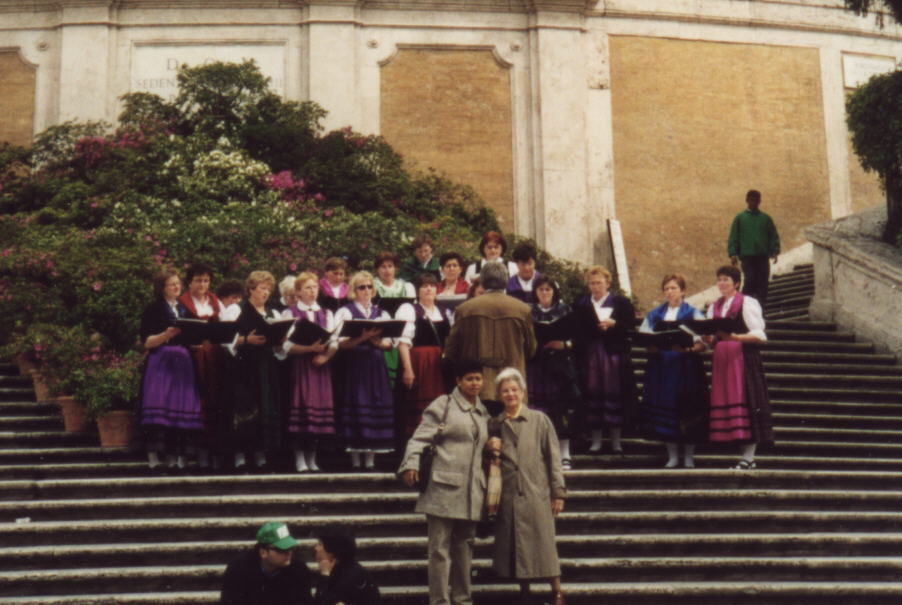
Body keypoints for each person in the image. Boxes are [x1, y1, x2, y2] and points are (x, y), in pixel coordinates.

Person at [398, 360, 489, 605]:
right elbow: (419, 438)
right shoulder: (444, 404)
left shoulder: (483, 411)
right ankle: (439, 601)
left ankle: (463, 599)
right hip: (442, 488)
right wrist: (412, 464)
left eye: (478, 379)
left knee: (465, 549)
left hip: (472, 491)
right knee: (439, 550)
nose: (474, 383)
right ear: (458, 381)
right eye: (469, 378)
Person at [487, 368, 566, 605]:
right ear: (500, 395)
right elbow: (489, 462)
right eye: (505, 391)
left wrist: (558, 492)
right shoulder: (495, 423)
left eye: (514, 390)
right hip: (509, 494)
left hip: (536, 491)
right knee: (515, 544)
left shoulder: (539, 420)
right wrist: (489, 448)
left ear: (523, 392)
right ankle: (524, 590)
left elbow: (554, 458)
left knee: (544, 543)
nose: (510, 395)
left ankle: (557, 590)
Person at [445, 262, 537, 416]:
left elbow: (451, 350)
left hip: (477, 384)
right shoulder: (522, 310)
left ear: (483, 281)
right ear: (506, 280)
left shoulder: (465, 309)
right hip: (511, 383)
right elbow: (531, 349)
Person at [706, 265, 774, 469]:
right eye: (719, 279)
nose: (722, 283)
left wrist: (735, 337)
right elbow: (710, 337)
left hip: (742, 357)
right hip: (722, 360)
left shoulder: (747, 302)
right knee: (731, 404)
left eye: (726, 279)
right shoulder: (714, 307)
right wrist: (707, 336)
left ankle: (749, 457)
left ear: (736, 283)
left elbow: (760, 334)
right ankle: (744, 456)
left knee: (748, 401)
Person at [637, 274, 708, 468]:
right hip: (662, 367)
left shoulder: (693, 313)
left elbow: (704, 341)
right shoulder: (655, 314)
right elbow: (645, 337)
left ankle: (689, 456)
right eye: (666, 288)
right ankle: (673, 455)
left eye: (673, 288)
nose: (669, 292)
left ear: (683, 291)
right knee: (665, 407)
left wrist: (690, 349)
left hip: (686, 367)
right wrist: (650, 346)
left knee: (688, 408)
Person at [139, 269, 203, 472]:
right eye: (171, 284)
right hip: (162, 360)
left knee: (180, 406)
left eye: (178, 283)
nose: (177, 287)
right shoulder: (154, 309)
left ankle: (177, 457)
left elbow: (195, 333)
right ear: (162, 288)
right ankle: (154, 457)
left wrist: (196, 340)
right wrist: (166, 334)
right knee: (158, 406)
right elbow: (147, 342)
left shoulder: (183, 308)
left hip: (183, 362)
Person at [222, 271, 285, 472]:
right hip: (243, 366)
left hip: (266, 366)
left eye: (268, 289)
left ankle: (260, 454)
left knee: (265, 408)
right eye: (261, 288)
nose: (266, 293)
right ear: (250, 289)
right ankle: (240, 454)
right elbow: (224, 338)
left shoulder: (273, 313)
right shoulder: (236, 310)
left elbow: (280, 346)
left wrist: (280, 340)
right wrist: (245, 340)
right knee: (244, 408)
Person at [333, 271, 396, 470]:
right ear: (354, 290)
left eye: (369, 286)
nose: (366, 291)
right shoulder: (346, 312)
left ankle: (370, 460)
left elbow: (390, 343)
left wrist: (379, 342)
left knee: (376, 405)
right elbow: (340, 344)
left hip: (376, 364)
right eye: (361, 287)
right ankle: (355, 460)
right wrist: (362, 338)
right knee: (357, 403)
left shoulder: (381, 312)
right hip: (356, 365)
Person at [572, 266, 637, 455]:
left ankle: (616, 441)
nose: (596, 286)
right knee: (593, 394)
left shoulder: (621, 302)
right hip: (591, 355)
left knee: (613, 392)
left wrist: (614, 324)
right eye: (592, 283)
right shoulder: (582, 304)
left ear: (607, 283)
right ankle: (596, 440)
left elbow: (630, 327)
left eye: (599, 282)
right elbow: (576, 330)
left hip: (613, 355)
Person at [282, 272, 338, 473]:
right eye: (307, 288)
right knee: (303, 407)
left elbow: (334, 342)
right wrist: (309, 350)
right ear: (298, 292)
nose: (312, 291)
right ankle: (299, 458)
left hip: (320, 365)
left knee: (318, 411)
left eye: (314, 287)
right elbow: (286, 346)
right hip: (301, 366)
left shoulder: (326, 313)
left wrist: (325, 356)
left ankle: (312, 458)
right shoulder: (290, 313)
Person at [178, 262, 227, 471]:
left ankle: (213, 451)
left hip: (214, 358)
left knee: (214, 400)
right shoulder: (182, 303)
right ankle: (195, 452)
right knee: (194, 402)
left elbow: (226, 327)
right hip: (190, 358)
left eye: (206, 280)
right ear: (190, 281)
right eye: (198, 280)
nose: (202, 284)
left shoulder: (215, 302)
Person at [528, 276, 580, 470]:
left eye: (548, 290)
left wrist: (564, 344)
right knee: (537, 410)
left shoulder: (565, 310)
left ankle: (564, 453)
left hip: (559, 366)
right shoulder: (529, 311)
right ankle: (539, 453)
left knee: (561, 408)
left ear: (554, 292)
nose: (544, 293)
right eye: (541, 289)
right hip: (536, 365)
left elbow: (577, 338)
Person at [396, 273, 454, 436]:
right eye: (424, 286)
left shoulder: (445, 312)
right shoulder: (409, 310)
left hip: (439, 367)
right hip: (419, 364)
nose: (429, 289)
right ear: (417, 290)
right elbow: (403, 343)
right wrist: (408, 369)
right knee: (417, 409)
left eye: (432, 286)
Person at [221, 521, 313, 605]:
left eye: (290, 548)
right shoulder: (239, 569)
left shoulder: (299, 570)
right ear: (263, 552)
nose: (289, 553)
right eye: (281, 549)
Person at [727, 189, 780, 310]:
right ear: (747, 201)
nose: (753, 202)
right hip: (747, 257)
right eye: (751, 200)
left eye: (756, 200)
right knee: (749, 280)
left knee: (763, 284)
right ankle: (741, 308)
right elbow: (733, 236)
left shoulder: (765, 218)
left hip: (762, 257)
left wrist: (775, 251)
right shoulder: (740, 218)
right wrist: (733, 253)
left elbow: (773, 235)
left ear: (759, 201)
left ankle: (760, 310)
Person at [312, 526, 381, 605]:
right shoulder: (338, 567)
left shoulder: (353, 575)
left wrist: (324, 575)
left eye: (320, 544)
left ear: (333, 551)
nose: (316, 548)